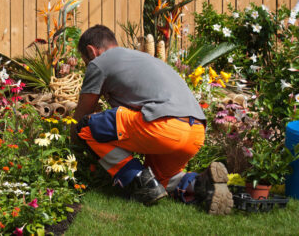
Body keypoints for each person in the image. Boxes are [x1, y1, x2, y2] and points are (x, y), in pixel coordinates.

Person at [71, 25, 233, 214]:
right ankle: (203, 185)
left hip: (164, 127)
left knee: (87, 127)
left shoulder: (99, 62)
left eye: (85, 60)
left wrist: (73, 149)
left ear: (91, 50)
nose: (87, 65)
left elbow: (81, 115)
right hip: (196, 131)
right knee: (162, 179)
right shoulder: (144, 59)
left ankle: (140, 180)